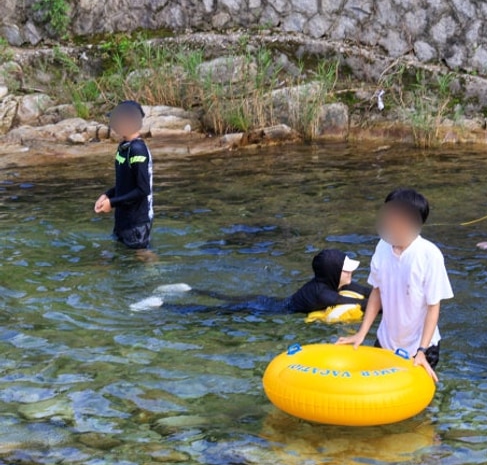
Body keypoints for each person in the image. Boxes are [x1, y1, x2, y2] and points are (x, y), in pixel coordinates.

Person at [336, 188, 454, 382]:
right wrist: (361, 333)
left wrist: (422, 351)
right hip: (385, 342)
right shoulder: (382, 246)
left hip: (421, 346)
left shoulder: (429, 255)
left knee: (417, 404)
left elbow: (434, 307)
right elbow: (377, 291)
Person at [131, 249, 370, 315]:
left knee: (225, 298)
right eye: (347, 271)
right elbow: (360, 304)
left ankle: (189, 288)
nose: (351, 275)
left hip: (267, 301)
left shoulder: (329, 282)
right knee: (212, 311)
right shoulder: (323, 294)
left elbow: (364, 291)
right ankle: (161, 305)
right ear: (334, 272)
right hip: (261, 310)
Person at [94, 100, 154, 250]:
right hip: (123, 218)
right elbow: (125, 183)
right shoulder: (124, 147)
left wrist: (112, 203)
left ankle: (156, 272)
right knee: (122, 257)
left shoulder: (137, 150)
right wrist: (107, 195)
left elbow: (142, 190)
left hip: (137, 222)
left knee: (141, 256)